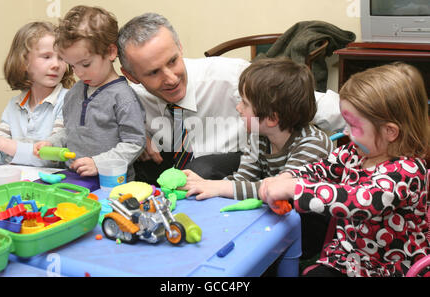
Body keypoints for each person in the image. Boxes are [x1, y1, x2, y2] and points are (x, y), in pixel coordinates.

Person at [117, 12, 345, 186]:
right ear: (132, 76)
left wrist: (370, 129)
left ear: (180, 47)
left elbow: (304, 101)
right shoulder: (129, 99)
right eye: (153, 73)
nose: (170, 78)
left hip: (239, 162)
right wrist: (139, 136)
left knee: (202, 168)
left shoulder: (228, 76)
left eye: (173, 61)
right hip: (174, 166)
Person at [259, 62, 430, 277]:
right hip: (349, 259)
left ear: (390, 131)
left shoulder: (407, 171)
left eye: (354, 126)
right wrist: (289, 176)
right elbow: (322, 168)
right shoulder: (356, 152)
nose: (347, 132)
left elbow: (361, 201)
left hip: (391, 269)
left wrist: (295, 189)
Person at [183, 57, 334, 259]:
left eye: (245, 103)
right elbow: (243, 179)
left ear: (271, 118)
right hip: (276, 210)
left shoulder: (312, 144)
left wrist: (216, 186)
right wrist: (206, 186)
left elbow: (280, 192)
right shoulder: (257, 133)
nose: (238, 108)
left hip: (311, 225)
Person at [34, 5, 146, 179]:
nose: (79, 72)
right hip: (73, 178)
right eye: (72, 65)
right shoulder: (75, 92)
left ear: (110, 52)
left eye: (85, 64)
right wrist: (52, 143)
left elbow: (134, 143)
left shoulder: (123, 97)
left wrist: (98, 163)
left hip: (111, 183)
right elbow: (71, 131)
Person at [0, 21, 74, 166]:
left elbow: (51, 158)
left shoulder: (69, 100)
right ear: (23, 62)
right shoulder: (14, 105)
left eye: (61, 57)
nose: (56, 64)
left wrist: (0, 142)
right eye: (46, 56)